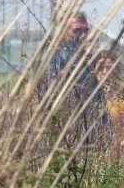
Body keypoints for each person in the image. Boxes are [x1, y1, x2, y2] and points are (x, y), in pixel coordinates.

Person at [45, 12, 105, 143]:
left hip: (92, 127)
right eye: (77, 30)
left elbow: (100, 96)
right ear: (64, 32)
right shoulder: (58, 56)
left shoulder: (89, 57)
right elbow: (52, 92)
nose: (83, 35)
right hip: (70, 129)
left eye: (86, 30)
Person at [92, 50, 124, 163]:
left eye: (108, 68)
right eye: (100, 68)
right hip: (98, 155)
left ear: (116, 70)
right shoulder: (91, 97)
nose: (104, 72)